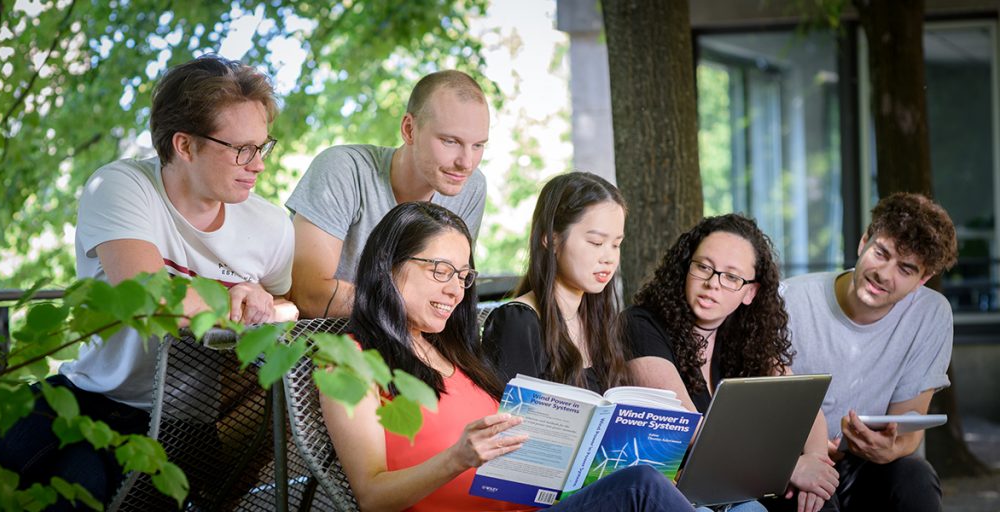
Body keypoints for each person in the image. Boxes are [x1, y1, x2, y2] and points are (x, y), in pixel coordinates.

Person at [0, 55, 298, 509]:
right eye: (241, 150)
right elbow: (149, 296)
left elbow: (289, 304)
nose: (258, 166)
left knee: (88, 492)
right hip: (91, 397)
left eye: (263, 147)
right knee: (26, 462)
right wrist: (240, 298)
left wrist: (267, 302)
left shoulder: (270, 226)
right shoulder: (121, 186)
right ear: (185, 146)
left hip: (183, 427)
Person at [322, 201, 697, 512]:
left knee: (651, 477)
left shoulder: (456, 355)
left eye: (463, 276)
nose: (455, 290)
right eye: (441, 271)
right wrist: (458, 458)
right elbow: (371, 496)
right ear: (389, 266)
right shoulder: (349, 362)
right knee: (641, 487)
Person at [622, 214, 838, 512]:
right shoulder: (640, 324)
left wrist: (815, 459)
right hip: (677, 490)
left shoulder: (747, 335)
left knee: (817, 497)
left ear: (750, 292)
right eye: (704, 267)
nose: (713, 283)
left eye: (732, 277)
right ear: (686, 268)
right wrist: (789, 468)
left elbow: (805, 405)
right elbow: (692, 434)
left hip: (739, 483)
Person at [780, 192, 958, 512]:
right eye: (881, 253)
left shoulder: (932, 314)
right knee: (815, 499)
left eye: (905, 269)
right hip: (791, 460)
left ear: (923, 279)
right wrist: (809, 454)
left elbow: (909, 423)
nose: (884, 274)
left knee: (915, 476)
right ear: (864, 242)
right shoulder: (789, 300)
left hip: (863, 464)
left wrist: (891, 449)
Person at [286, 70, 490, 319]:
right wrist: (411, 303)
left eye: (478, 145)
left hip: (406, 347)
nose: (466, 163)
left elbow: (452, 291)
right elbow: (309, 295)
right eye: (450, 141)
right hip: (323, 347)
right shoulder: (343, 169)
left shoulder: (470, 187)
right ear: (409, 129)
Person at [481, 171, 629, 394]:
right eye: (596, 242)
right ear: (551, 239)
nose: (608, 258)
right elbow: (509, 422)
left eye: (616, 244)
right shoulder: (518, 323)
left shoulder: (599, 320)